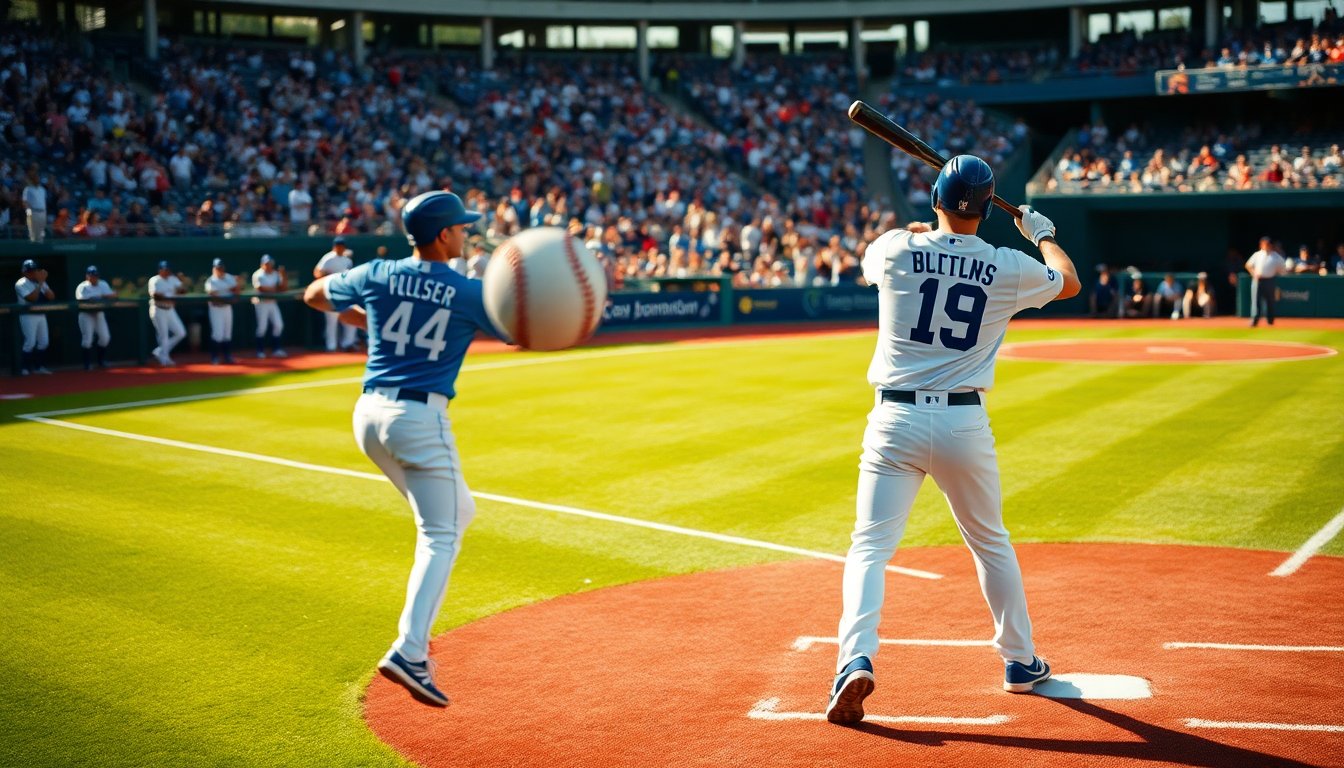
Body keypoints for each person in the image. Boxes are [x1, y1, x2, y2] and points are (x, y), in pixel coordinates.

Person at [827, 155, 1081, 726]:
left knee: (869, 548)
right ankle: (1019, 661)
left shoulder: (894, 249)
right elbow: (1069, 282)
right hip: (965, 423)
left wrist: (923, 231)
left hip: (893, 422)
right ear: (988, 210)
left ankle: (854, 659)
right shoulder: (1007, 264)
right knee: (990, 543)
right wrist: (1043, 236)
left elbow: (893, 247)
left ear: (936, 198)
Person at [302, 191, 509, 708]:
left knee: (460, 511)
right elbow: (522, 332)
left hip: (369, 415)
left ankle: (416, 639)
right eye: (460, 228)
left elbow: (313, 296)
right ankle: (410, 650)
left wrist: (377, 320)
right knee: (441, 534)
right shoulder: (467, 292)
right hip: (418, 417)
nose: (466, 233)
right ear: (443, 235)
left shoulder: (377, 273)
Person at [313, 236, 359, 351]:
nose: (340, 248)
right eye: (338, 246)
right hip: (330, 293)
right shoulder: (328, 258)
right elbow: (317, 272)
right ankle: (331, 346)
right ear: (334, 246)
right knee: (332, 322)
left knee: (351, 317)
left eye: (342, 246)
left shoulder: (348, 260)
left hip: (344, 294)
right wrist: (327, 276)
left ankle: (347, 343)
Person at [15, 259, 55, 374]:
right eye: (30, 271)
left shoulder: (40, 281)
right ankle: (24, 368)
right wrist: (40, 283)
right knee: (30, 342)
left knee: (44, 342)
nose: (33, 273)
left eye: (34, 270)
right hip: (27, 315)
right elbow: (32, 299)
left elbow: (51, 296)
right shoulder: (20, 283)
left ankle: (39, 367)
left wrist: (42, 282)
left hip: (40, 314)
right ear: (24, 272)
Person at [75, 265, 116, 369]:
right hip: (86, 314)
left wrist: (101, 297)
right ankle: (87, 364)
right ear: (87, 276)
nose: (94, 278)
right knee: (87, 339)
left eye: (96, 275)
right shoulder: (82, 287)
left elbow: (113, 295)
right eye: (92, 276)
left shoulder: (103, 284)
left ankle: (101, 361)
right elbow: (81, 300)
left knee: (105, 338)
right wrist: (99, 297)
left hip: (99, 313)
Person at [148, 260, 187, 366]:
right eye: (164, 269)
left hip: (170, 309)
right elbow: (155, 295)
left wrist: (182, 283)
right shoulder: (154, 280)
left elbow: (183, 292)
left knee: (181, 333)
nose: (166, 272)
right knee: (164, 336)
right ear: (159, 270)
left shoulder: (173, 279)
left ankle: (159, 351)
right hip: (158, 309)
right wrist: (170, 295)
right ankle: (164, 359)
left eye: (167, 270)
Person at [204, 258, 241, 364]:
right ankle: (214, 357)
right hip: (216, 309)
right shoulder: (211, 281)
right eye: (217, 267)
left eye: (221, 267)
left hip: (227, 308)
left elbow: (236, 292)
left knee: (227, 334)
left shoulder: (229, 277)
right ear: (214, 268)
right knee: (218, 334)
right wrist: (227, 291)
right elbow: (214, 296)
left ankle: (227, 356)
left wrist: (233, 288)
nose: (219, 269)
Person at [251, 254, 288, 358]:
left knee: (279, 325)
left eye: (270, 263)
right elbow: (261, 289)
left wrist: (283, 275)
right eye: (266, 264)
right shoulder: (258, 274)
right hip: (261, 303)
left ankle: (276, 349)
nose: (268, 265)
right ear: (262, 264)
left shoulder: (276, 274)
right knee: (262, 327)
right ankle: (260, 351)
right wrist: (275, 289)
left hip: (272, 302)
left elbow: (283, 288)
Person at [1246, 236, 1287, 327]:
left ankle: (1270, 321)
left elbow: (1283, 269)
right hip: (1257, 280)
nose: (1265, 245)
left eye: (1267, 243)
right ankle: (1254, 321)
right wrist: (1254, 273)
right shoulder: (1257, 254)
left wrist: (1276, 272)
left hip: (1270, 281)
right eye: (1264, 243)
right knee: (1255, 302)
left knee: (1270, 302)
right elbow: (1248, 265)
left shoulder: (1276, 256)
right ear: (1261, 244)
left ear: (1270, 245)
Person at [22, 174, 47, 243]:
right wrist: (29, 213)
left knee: (41, 233)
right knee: (32, 233)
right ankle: (32, 249)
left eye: (38, 179)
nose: (37, 180)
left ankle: (40, 248)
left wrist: (45, 213)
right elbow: (25, 202)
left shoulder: (42, 190)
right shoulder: (28, 189)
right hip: (33, 212)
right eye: (36, 179)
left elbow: (43, 202)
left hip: (42, 212)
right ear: (32, 180)